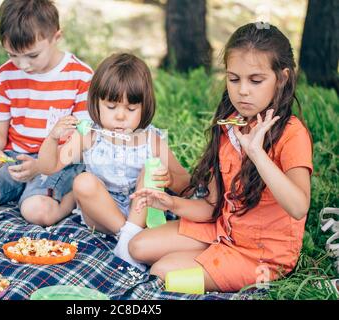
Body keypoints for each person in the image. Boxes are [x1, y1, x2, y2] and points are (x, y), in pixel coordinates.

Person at [129, 23, 313, 292]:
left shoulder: (292, 134)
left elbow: (299, 207)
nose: (243, 91)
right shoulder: (231, 126)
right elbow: (211, 206)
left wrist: (257, 154)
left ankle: (219, 266)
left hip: (262, 255)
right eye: (234, 79)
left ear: (282, 78)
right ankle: (212, 258)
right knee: (138, 246)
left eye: (256, 80)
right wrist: (172, 203)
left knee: (164, 272)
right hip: (222, 230)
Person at [37, 53, 189, 270]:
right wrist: (53, 138)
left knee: (150, 170)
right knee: (82, 181)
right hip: (102, 215)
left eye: (131, 108)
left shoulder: (151, 140)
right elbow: (48, 167)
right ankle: (128, 239)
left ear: (144, 106)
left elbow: (185, 184)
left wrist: (169, 178)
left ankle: (129, 237)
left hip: (142, 212)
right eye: (111, 107)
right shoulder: (90, 134)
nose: (120, 116)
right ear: (96, 102)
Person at [0, 0, 93, 226]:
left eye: (32, 55)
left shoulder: (81, 77)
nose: (22, 65)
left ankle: (71, 198)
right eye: (12, 55)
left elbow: (82, 141)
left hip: (59, 161)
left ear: (56, 37)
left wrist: (41, 166)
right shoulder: (4, 76)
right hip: (13, 157)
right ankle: (20, 191)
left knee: (38, 213)